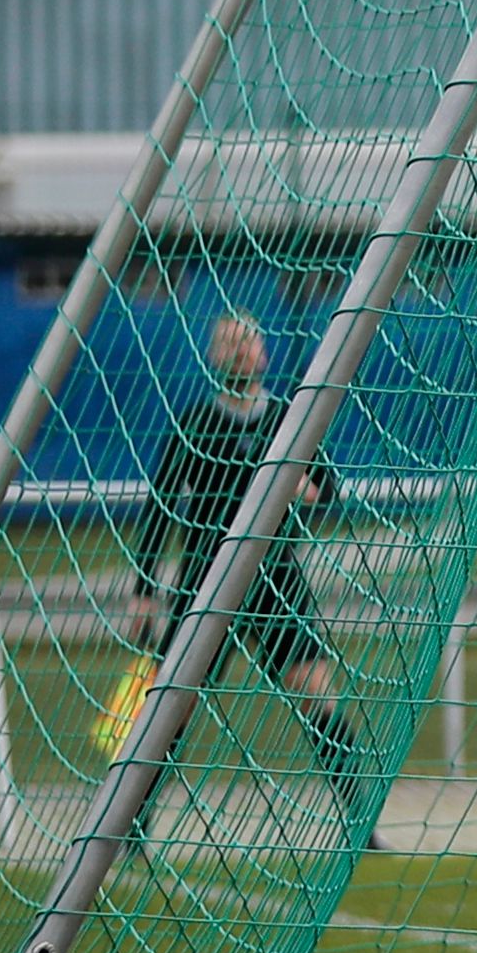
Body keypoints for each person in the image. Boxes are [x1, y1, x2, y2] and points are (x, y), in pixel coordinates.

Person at [118, 309, 354, 838]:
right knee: (172, 701)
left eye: (249, 342)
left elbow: (328, 485)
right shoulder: (195, 423)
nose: (241, 351)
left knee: (318, 691)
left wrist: (306, 489)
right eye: (229, 343)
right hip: (206, 579)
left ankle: (361, 818)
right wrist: (143, 590)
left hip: (274, 577)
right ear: (213, 356)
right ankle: (133, 821)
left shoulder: (289, 418)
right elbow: (160, 507)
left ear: (264, 352)